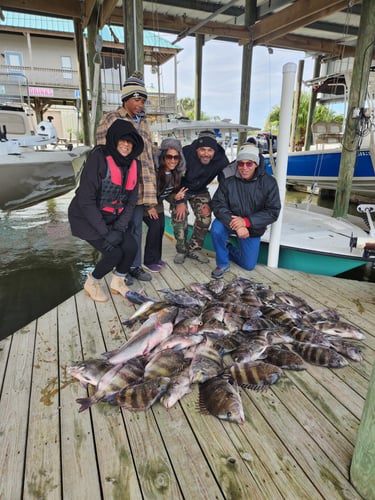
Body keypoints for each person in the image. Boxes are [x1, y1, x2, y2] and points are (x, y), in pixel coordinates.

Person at [68, 119, 144, 302]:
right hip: (85, 218)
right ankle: (92, 283)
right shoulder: (98, 158)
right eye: (122, 140)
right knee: (114, 253)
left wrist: (118, 230)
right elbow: (86, 201)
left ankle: (118, 281)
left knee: (131, 246)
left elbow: (131, 202)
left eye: (130, 141)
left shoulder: (135, 165)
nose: (126, 145)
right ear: (114, 139)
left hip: (112, 219)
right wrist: (105, 233)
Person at [96, 72, 157, 283]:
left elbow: (149, 157)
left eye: (143, 100)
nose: (141, 104)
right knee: (117, 229)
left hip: (141, 188)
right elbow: (104, 151)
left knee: (136, 229)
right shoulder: (112, 118)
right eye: (137, 100)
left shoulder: (145, 123)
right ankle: (116, 269)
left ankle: (133, 266)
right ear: (126, 99)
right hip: (119, 187)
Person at [210, 143, 281, 279]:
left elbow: (273, 211)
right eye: (241, 164)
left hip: (252, 228)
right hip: (230, 222)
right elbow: (218, 204)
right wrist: (236, 223)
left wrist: (246, 222)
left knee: (248, 265)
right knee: (216, 228)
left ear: (256, 164)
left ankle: (228, 248)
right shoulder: (228, 180)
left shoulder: (269, 182)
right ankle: (222, 263)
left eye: (249, 164)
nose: (244, 168)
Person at [173, 130, 229, 264]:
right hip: (181, 188)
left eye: (210, 150)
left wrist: (211, 205)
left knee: (205, 218)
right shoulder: (186, 153)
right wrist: (179, 201)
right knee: (180, 217)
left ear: (215, 151)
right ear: (196, 149)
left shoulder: (221, 159)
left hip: (201, 190)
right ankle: (181, 250)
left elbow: (225, 185)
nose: (206, 153)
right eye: (202, 149)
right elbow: (173, 178)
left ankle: (194, 248)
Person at [142, 138, 187, 272]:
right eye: (169, 156)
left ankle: (156, 258)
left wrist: (176, 197)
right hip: (145, 205)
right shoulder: (154, 171)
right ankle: (148, 261)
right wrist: (149, 207)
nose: (172, 160)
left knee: (161, 228)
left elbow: (167, 194)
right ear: (162, 156)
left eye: (176, 157)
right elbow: (143, 188)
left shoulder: (174, 173)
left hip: (158, 205)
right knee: (154, 228)